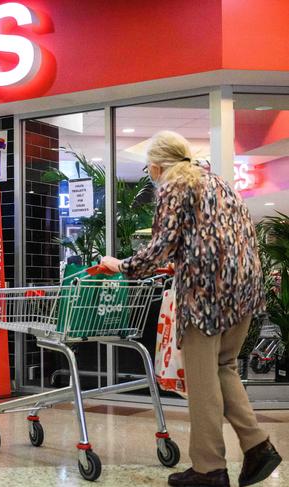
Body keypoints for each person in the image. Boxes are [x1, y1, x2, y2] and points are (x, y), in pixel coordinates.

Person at [100, 131, 282, 487]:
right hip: (244, 291)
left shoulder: (173, 186)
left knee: (202, 384)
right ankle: (257, 446)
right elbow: (219, 239)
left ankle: (209, 469)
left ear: (155, 166)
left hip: (206, 298)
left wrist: (119, 265)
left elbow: (160, 247)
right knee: (223, 367)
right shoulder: (220, 183)